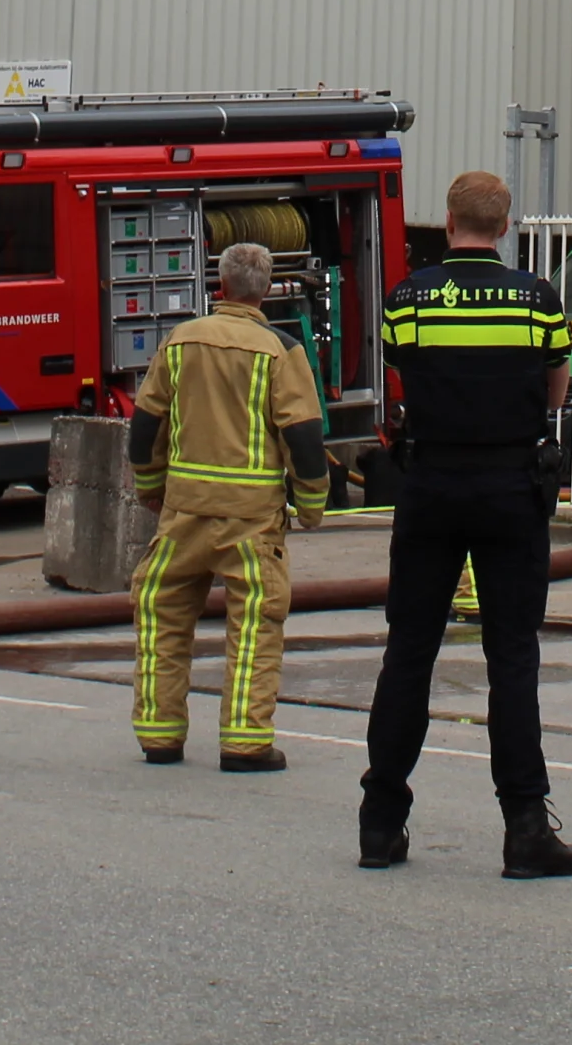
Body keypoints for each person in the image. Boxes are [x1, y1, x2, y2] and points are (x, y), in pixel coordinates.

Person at [360, 171, 572, 878]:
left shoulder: (410, 296)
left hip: (431, 483)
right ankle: (525, 830)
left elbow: (403, 375)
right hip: (511, 487)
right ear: (506, 225)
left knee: (410, 653)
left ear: (450, 221)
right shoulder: (538, 300)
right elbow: (555, 390)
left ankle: (381, 824)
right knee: (511, 659)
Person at [126, 242, 330, 767]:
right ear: (266, 292)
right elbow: (303, 436)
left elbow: (145, 423)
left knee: (161, 613)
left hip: (184, 513)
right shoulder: (281, 351)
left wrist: (150, 485)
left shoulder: (179, 342)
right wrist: (311, 505)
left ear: (221, 288)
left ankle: (160, 734)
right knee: (256, 625)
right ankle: (244, 741)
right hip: (251, 522)